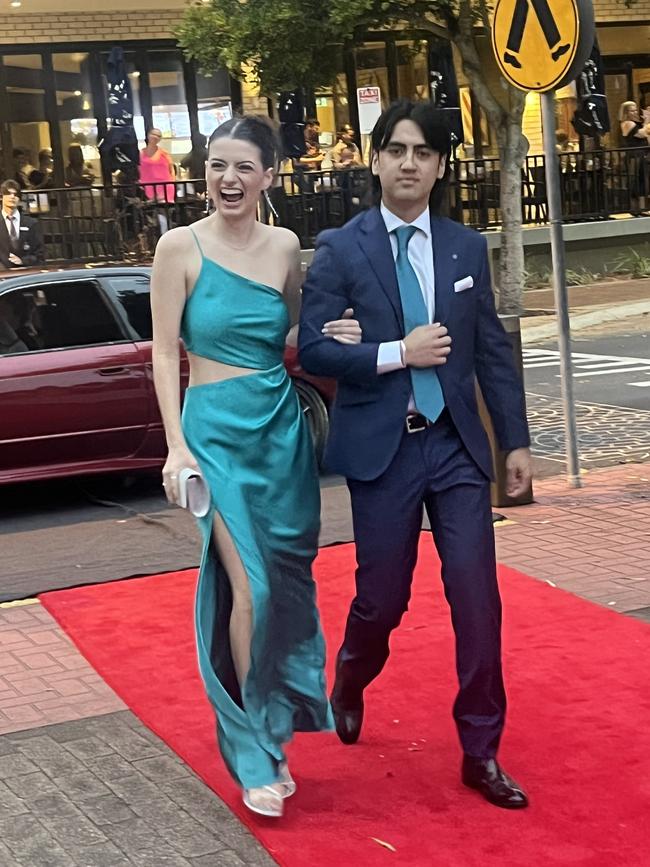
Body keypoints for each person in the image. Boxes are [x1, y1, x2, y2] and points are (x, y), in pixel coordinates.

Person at [299, 100, 533, 810]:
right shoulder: (341, 246)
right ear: (375, 160)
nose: (409, 163)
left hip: (456, 446)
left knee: (477, 598)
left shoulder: (464, 247)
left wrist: (515, 440)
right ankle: (351, 673)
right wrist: (396, 352)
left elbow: (491, 348)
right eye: (396, 149)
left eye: (423, 152)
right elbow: (312, 348)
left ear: (438, 166)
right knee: (384, 598)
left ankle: (481, 748)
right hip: (383, 447)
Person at [150, 115, 361, 818]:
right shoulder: (178, 246)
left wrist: (338, 332)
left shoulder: (284, 247)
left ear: (269, 175)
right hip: (215, 435)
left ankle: (278, 723)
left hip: (281, 434)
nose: (227, 179)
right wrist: (176, 445)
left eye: (243, 166)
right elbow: (162, 353)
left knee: (291, 590)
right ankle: (256, 752)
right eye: (216, 165)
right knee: (254, 591)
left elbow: (295, 331)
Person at [0, 179, 45, 269]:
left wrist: (23, 261)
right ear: (1, 197)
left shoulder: (31, 223)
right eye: (8, 193)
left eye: (16, 194)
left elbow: (40, 254)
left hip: (26, 275)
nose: (12, 197)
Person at [619, 100, 650, 216]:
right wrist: (647, 119)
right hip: (634, 156)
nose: (635, 112)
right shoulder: (628, 123)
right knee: (637, 181)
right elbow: (642, 133)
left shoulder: (633, 123)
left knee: (642, 181)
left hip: (640, 155)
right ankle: (637, 209)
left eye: (635, 109)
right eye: (632, 110)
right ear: (626, 112)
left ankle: (642, 208)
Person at [140, 127, 176, 204]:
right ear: (148, 135)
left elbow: (171, 170)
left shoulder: (165, 154)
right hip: (147, 189)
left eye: (158, 136)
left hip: (165, 188)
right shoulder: (140, 154)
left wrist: (172, 183)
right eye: (153, 134)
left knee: (165, 211)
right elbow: (138, 170)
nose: (155, 137)